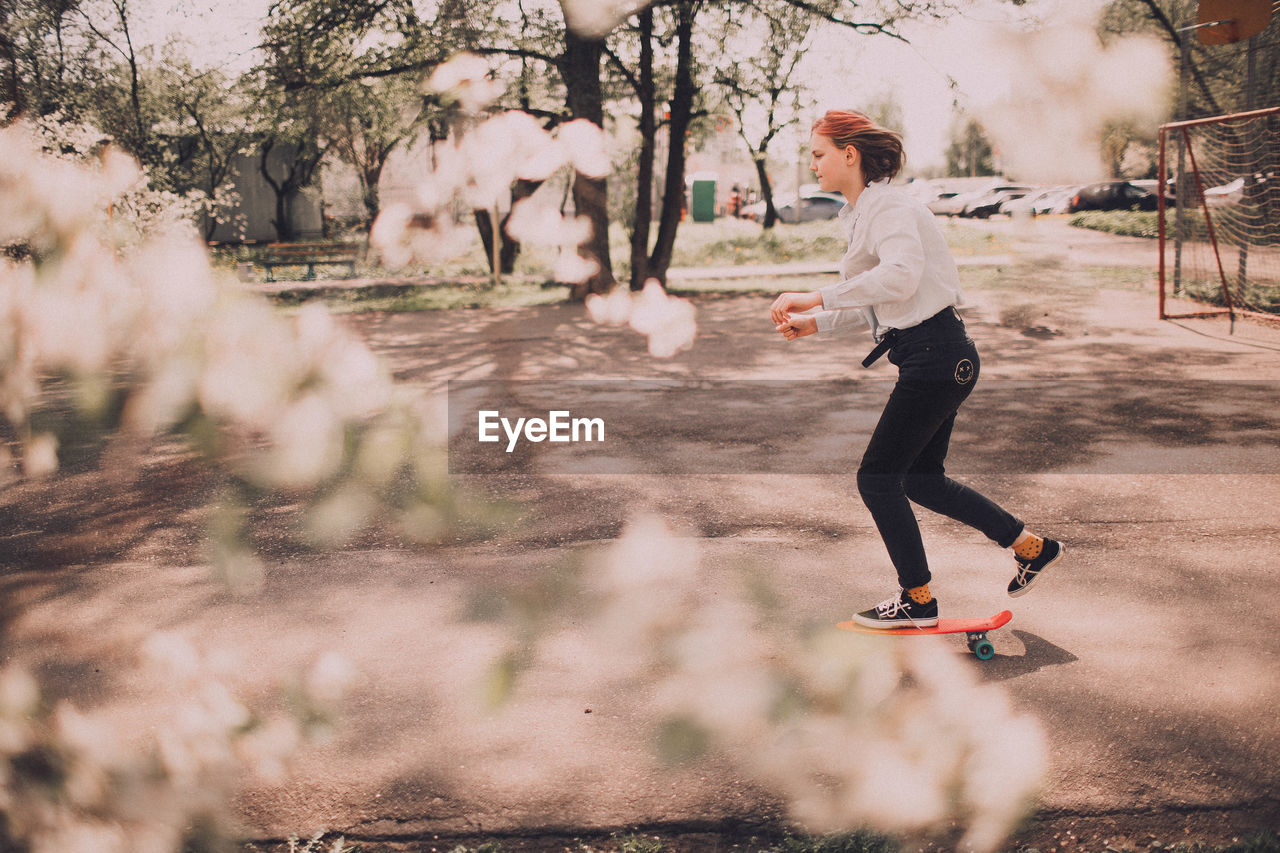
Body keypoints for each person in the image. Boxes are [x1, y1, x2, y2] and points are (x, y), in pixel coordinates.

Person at [769, 110, 1063, 629]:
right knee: (922, 480)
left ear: (849, 154)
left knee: (877, 478)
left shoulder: (889, 207)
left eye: (818, 154)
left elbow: (899, 277)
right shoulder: (863, 212)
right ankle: (1030, 545)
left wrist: (815, 294)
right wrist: (816, 322)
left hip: (936, 357)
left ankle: (917, 599)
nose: (812, 165)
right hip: (934, 355)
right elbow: (884, 300)